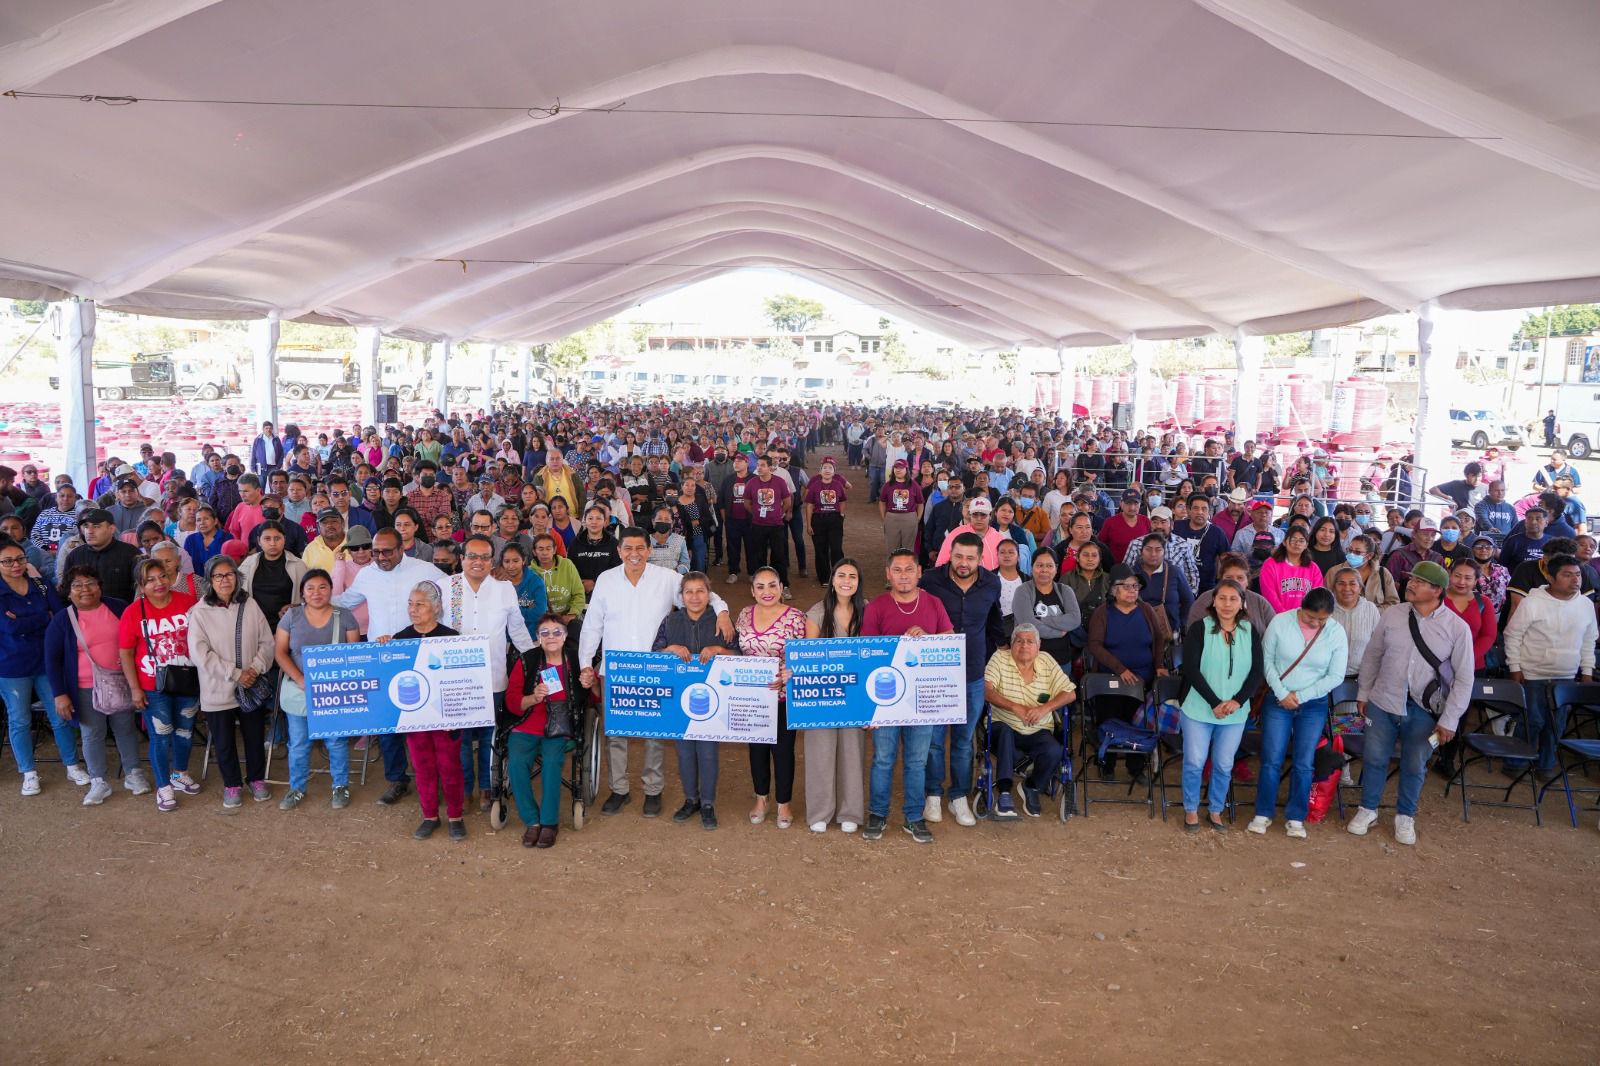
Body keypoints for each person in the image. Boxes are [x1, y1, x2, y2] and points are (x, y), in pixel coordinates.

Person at [579, 527, 732, 818]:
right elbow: (593, 626)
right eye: (628, 549)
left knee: (653, 733)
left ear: (649, 550)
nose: (634, 554)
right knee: (615, 734)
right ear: (619, 550)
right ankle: (619, 789)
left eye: (640, 548)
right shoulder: (606, 580)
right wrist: (586, 661)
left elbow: (701, 592)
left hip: (654, 669)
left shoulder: (667, 579)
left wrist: (722, 611)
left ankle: (653, 789)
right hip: (616, 669)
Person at [1349, 561, 1475, 845]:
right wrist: (1363, 693)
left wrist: (1450, 720)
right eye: (1411, 580)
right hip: (1383, 701)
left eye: (1419, 582)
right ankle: (1367, 809)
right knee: (1374, 759)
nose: (1411, 585)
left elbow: (1465, 679)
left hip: (1425, 710)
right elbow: (1373, 655)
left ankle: (1405, 816)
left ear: (1437, 590)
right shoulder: (1393, 614)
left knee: (1415, 765)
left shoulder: (1457, 628)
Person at [335, 527, 448, 807]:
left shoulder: (427, 570)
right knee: (387, 725)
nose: (380, 557)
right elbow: (345, 602)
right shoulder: (367, 574)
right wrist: (308, 600)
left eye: (387, 551)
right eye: (376, 552)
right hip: (382, 659)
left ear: (402, 549)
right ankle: (397, 780)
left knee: (428, 720)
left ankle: (434, 778)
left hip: (420, 656)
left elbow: (455, 590)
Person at [860, 549, 953, 843]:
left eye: (908, 569)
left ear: (919, 572)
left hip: (922, 700)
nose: (903, 575)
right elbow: (866, 657)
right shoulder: (876, 607)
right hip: (886, 700)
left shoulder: (933, 603)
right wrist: (869, 708)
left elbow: (950, 642)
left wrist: (928, 638)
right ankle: (878, 813)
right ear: (888, 574)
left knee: (916, 761)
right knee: (883, 760)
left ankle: (914, 817)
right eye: (897, 570)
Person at [438, 533, 537, 812]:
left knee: (488, 738)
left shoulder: (504, 589)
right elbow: (429, 628)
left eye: (484, 557)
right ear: (461, 559)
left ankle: (486, 786)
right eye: (472, 556)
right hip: (454, 681)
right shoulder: (445, 587)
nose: (478, 562)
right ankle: (463, 788)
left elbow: (516, 628)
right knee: (459, 739)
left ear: (492, 561)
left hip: (494, 678)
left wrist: (534, 659)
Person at [919, 531, 1004, 828]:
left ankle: (958, 796)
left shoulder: (992, 583)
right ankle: (932, 792)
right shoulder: (929, 581)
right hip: (934, 675)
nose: (963, 563)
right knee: (932, 740)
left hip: (972, 674)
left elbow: (995, 621)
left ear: (981, 559)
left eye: (970, 558)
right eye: (958, 556)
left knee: (964, 740)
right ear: (949, 555)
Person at [1247, 587, 1347, 838]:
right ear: (1300, 608)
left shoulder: (1336, 632)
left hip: (1312, 704)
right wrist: (1282, 693)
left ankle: (1296, 816)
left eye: (1321, 620)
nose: (1315, 623)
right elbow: (1266, 660)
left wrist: (1301, 696)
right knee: (1272, 758)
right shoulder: (1280, 622)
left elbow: (1335, 675)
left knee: (1304, 761)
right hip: (1277, 699)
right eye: (1310, 617)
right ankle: (1263, 812)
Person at [44, 565, 145, 804]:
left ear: (100, 585)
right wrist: (60, 694)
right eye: (77, 585)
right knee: (92, 734)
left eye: (90, 582)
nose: (84, 589)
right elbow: (51, 659)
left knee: (126, 729)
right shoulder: (62, 620)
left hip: (120, 681)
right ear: (68, 592)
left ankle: (134, 773)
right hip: (83, 687)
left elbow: (138, 639)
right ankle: (99, 781)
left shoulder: (118, 607)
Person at [186, 555, 277, 810]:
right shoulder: (200, 612)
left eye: (229, 574)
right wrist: (235, 673)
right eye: (218, 576)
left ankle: (257, 779)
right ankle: (232, 784)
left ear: (237, 577)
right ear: (209, 580)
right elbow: (200, 654)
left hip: (250, 685)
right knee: (224, 741)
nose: (225, 580)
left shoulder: (250, 605)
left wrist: (254, 669)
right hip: (217, 688)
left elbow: (266, 643)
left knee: (254, 736)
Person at [655, 572, 741, 831]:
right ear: (681, 596)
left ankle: (708, 803)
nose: (694, 597)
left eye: (700, 591)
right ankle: (690, 798)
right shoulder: (671, 621)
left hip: (712, 699)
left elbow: (739, 653)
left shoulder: (721, 621)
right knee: (684, 751)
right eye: (689, 592)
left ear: (709, 594)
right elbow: (654, 653)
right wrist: (670, 649)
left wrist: (719, 650)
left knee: (707, 752)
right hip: (680, 701)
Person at [1, 541, 87, 796]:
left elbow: (59, 617)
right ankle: (28, 772)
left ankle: (72, 765)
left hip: (47, 660)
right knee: (19, 720)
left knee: (61, 713)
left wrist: (30, 620)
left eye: (20, 558)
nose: (16, 565)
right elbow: (10, 628)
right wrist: (42, 618)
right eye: (8, 561)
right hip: (11, 665)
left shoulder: (41, 584)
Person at [1178, 579, 1265, 832]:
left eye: (1233, 599)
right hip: (1199, 708)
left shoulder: (1250, 631)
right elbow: (1191, 669)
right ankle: (1191, 809)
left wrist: (1238, 701)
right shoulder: (1199, 629)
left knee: (1224, 764)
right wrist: (1215, 702)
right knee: (1194, 762)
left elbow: (1256, 672)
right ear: (1213, 601)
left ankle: (1216, 809)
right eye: (1222, 598)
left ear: (1242, 603)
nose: (1227, 604)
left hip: (1235, 712)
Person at [1502, 555, 1597, 778]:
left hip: (1566, 675)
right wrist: (1514, 667)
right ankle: (1515, 763)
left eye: (1577, 574)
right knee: (1531, 721)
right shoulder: (1532, 602)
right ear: (1550, 577)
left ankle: (1545, 765)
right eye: (1567, 574)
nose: (1575, 580)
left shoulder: (1585, 605)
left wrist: (1587, 672)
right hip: (1532, 673)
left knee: (1556, 724)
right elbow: (1513, 635)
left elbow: (1589, 639)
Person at [117, 558, 201, 811]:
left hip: (187, 680)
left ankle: (179, 773)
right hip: (153, 685)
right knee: (161, 735)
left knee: (185, 732)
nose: (159, 583)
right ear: (141, 586)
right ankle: (163, 785)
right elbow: (126, 653)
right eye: (150, 580)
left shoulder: (188, 603)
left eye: (162, 576)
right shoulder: (133, 612)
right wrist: (134, 688)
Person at [274, 569, 361, 810]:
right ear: (302, 591)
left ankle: (340, 786)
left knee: (336, 740)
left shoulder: (344, 616)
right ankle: (297, 788)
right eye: (310, 587)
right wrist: (300, 678)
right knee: (299, 742)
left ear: (331, 590)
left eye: (322, 587)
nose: (316, 592)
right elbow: (280, 652)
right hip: (299, 689)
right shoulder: (291, 616)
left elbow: (353, 653)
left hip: (333, 691)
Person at [388, 582, 467, 841]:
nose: (413, 609)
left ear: (436, 606)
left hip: (446, 719)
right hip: (414, 718)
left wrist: (455, 716)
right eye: (410, 603)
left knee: (450, 766)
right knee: (422, 767)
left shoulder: (451, 637)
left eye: (419, 604)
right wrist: (383, 650)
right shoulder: (399, 639)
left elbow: (460, 679)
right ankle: (429, 816)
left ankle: (455, 816)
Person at [506, 612, 589, 848]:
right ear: (538, 637)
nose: (551, 637)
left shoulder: (576, 659)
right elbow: (512, 700)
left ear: (564, 636)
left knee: (553, 763)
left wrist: (590, 682)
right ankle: (532, 821)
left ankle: (549, 823)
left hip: (560, 725)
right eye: (545, 633)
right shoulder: (527, 660)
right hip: (527, 723)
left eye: (556, 632)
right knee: (516, 763)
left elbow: (591, 697)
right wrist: (532, 698)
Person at [736, 567, 807, 829]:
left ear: (781, 588)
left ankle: (784, 803)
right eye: (761, 586)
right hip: (752, 699)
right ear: (752, 590)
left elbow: (808, 656)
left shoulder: (797, 618)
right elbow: (736, 653)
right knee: (756, 749)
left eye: (773, 585)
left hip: (783, 697)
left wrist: (792, 672)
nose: (767, 592)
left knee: (783, 751)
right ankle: (761, 799)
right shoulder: (744, 614)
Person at [1085, 564, 1170, 779]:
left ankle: (1136, 766)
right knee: (1110, 719)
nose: (1133, 590)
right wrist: (1120, 669)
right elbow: (1095, 645)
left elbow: (1159, 639)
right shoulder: (1103, 613)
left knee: (1138, 722)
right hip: (1110, 679)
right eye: (1127, 586)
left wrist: (1159, 665)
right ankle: (1107, 764)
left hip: (1143, 678)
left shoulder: (1146, 610)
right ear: (1114, 589)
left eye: (1136, 586)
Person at [802, 558, 868, 834]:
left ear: (858, 582)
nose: (846, 581)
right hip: (823, 693)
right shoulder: (816, 612)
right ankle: (820, 811)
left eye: (852, 576)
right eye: (841, 575)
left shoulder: (867, 610)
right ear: (832, 579)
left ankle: (850, 811)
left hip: (856, 693)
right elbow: (809, 654)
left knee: (853, 751)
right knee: (820, 750)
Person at [983, 623, 1075, 818]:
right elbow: (986, 690)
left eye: (1030, 641)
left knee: (1054, 750)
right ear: (1012, 643)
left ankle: (1032, 787)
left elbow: (1070, 693)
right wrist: (1014, 706)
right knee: (1006, 733)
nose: (1024, 645)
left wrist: (1045, 708)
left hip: (1038, 728)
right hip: (1003, 724)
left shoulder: (1047, 660)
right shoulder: (1000, 658)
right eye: (1019, 641)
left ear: (1038, 646)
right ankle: (1005, 791)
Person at [1010, 549, 1082, 664]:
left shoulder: (1065, 590)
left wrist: (1042, 619)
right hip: (1029, 662)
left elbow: (1074, 619)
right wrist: (1058, 632)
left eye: (1049, 566)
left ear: (1056, 568)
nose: (1044, 570)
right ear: (1032, 567)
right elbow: (1028, 624)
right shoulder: (1023, 591)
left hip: (1061, 661)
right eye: (1039, 565)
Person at [62, 509, 141, 602]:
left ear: (111, 529)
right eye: (86, 526)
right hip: (83, 613)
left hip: (121, 613)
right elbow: (66, 590)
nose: (90, 531)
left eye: (96, 526)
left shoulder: (131, 554)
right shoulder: (75, 555)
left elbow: (140, 590)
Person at [1188, 553, 1275, 634]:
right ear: (1221, 580)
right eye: (1229, 578)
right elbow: (1192, 633)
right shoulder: (1205, 600)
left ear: (1247, 581)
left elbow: (1274, 633)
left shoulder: (1260, 603)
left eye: (1240, 578)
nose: (1235, 582)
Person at [1442, 559, 1498, 672]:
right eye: (1457, 576)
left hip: (1473, 665)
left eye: (1468, 578)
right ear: (1449, 574)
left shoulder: (1484, 602)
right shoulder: (1436, 598)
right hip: (1438, 664)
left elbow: (1488, 636)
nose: (1461, 582)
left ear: (1475, 580)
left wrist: (1466, 657)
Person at [1258, 526, 1322, 614]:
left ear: (1306, 545)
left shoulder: (1313, 568)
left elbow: (1317, 596)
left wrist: (1305, 616)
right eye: (1293, 539)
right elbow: (1269, 595)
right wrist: (1286, 617)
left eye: (1301, 541)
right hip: (1277, 618)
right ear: (1284, 542)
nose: (1297, 543)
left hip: (1306, 619)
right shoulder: (1270, 565)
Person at [804, 456, 849, 583]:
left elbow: (842, 501)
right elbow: (809, 505)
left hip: (834, 519)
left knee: (836, 548)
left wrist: (841, 514)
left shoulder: (838, 485)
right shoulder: (814, 485)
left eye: (830, 468)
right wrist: (809, 524)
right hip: (818, 520)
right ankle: (824, 577)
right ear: (820, 471)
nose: (827, 470)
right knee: (820, 549)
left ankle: (838, 575)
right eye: (825, 468)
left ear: (834, 472)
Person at [1329, 565, 1380, 673]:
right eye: (1341, 584)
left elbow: (1379, 645)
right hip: (1327, 674)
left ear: (1360, 588)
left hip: (1361, 676)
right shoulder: (1326, 608)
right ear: (1334, 588)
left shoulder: (1370, 609)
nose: (1347, 589)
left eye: (1352, 584)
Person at [646, 504, 690, 574]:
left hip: (673, 579)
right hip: (651, 580)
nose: (663, 522)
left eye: (667, 519)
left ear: (672, 523)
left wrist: (674, 572)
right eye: (659, 519)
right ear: (653, 521)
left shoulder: (680, 540)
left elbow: (686, 563)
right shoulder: (645, 540)